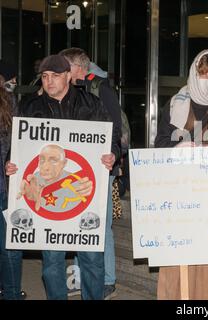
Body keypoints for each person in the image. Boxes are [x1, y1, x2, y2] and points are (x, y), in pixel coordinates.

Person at [6, 54, 120, 300]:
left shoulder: (90, 103)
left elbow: (111, 137)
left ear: (69, 76)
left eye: (55, 76)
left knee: (91, 259)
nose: (49, 81)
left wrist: (112, 154)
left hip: (82, 198)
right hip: (47, 203)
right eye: (45, 77)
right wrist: (10, 163)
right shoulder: (30, 107)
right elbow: (18, 146)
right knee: (52, 263)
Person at [154, 49, 208, 299]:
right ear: (195, 73)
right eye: (203, 74)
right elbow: (160, 142)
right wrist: (178, 147)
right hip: (181, 193)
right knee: (181, 257)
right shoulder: (177, 102)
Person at [59, 48, 122, 300]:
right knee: (77, 221)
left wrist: (112, 157)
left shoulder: (101, 89)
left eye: (65, 67)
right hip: (76, 168)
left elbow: (115, 128)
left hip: (101, 167)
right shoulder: (70, 91)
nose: (61, 73)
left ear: (78, 68)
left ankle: (107, 280)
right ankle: (80, 277)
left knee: (100, 225)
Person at [0, 61, 25, 300]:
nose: (14, 83)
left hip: (5, 182)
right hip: (4, 185)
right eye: (11, 78)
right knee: (9, 245)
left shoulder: (10, 103)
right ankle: (12, 294)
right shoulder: (10, 104)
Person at [16, 144, 93, 212]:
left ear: (64, 163)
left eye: (53, 161)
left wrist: (90, 189)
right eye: (42, 160)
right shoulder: (33, 181)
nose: (45, 167)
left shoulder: (76, 182)